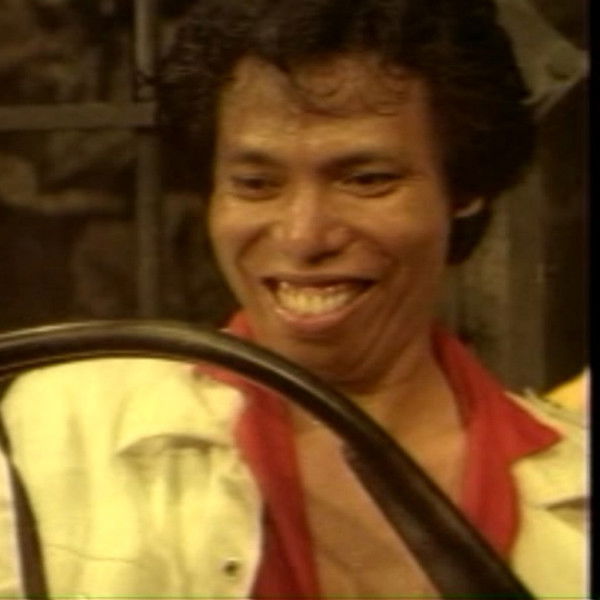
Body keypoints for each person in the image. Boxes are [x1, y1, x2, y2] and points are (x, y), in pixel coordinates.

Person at [0, 0, 587, 598]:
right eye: (256, 184)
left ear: (464, 190)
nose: (303, 236)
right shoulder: (59, 430)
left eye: (366, 180)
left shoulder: (577, 487)